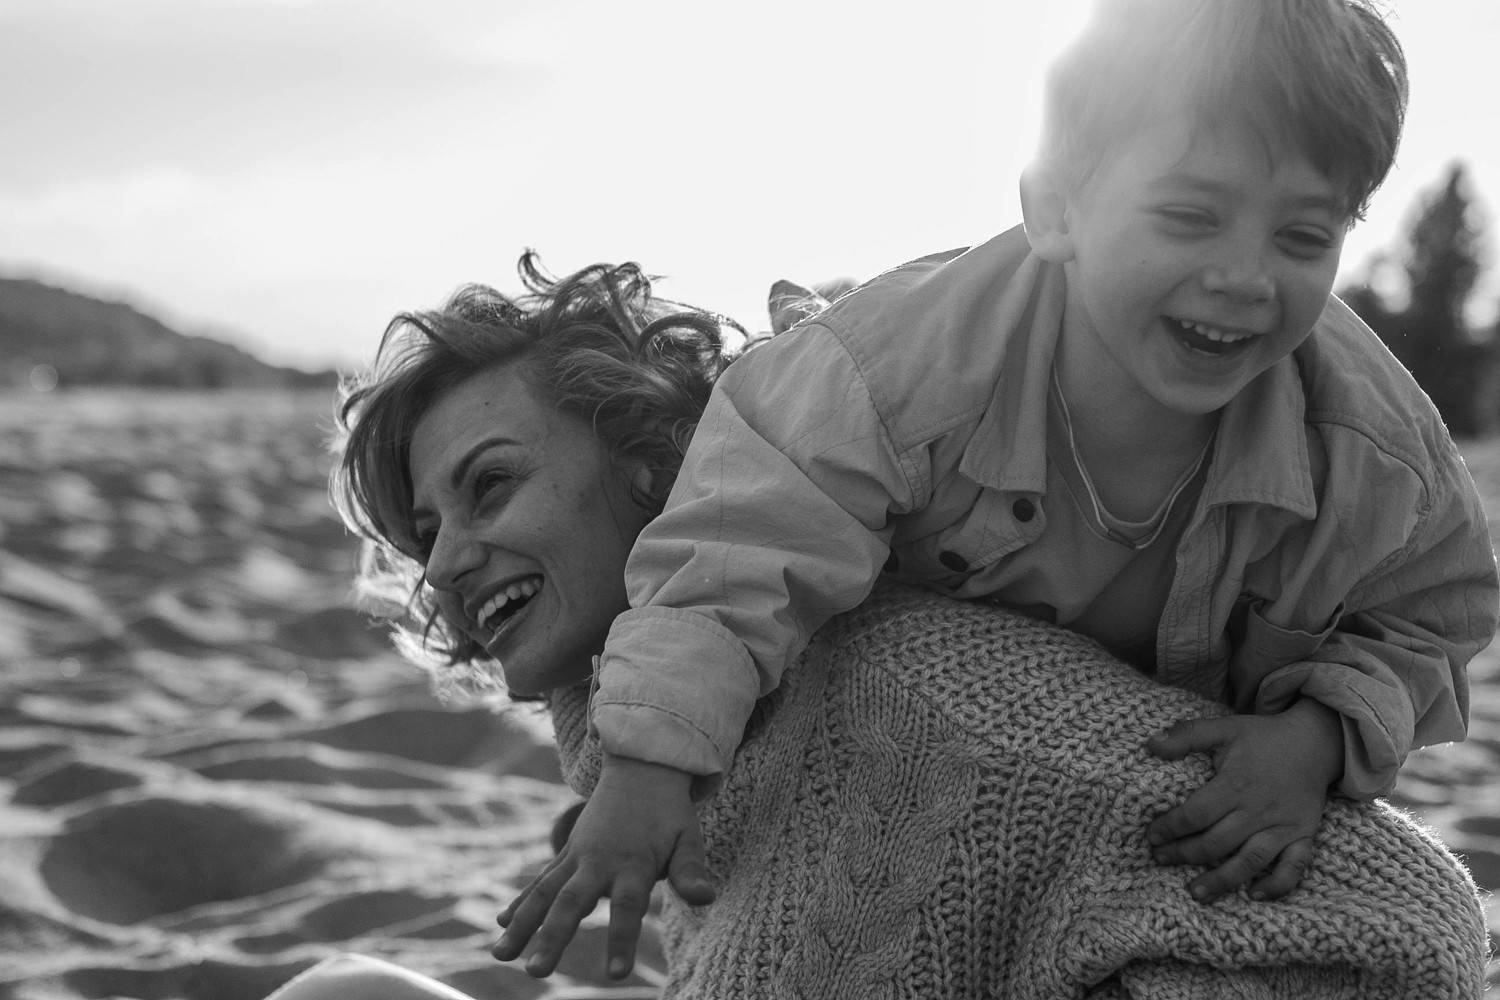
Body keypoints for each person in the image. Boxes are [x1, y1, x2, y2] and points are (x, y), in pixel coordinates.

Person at [495, 0, 1500, 980]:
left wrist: (1315, 738)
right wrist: (648, 765)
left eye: (1303, 237)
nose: (1246, 276)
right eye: (1191, 216)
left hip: (1126, 808)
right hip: (900, 782)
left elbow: (1432, 614)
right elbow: (737, 543)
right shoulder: (892, 370)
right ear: (1056, 207)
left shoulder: (1375, 452)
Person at [270, 254, 1489, 999]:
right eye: (424, 530)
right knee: (339, 990)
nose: (449, 558)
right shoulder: (664, 753)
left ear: (648, 463)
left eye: (489, 486)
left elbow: (1408, 917)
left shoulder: (894, 688)